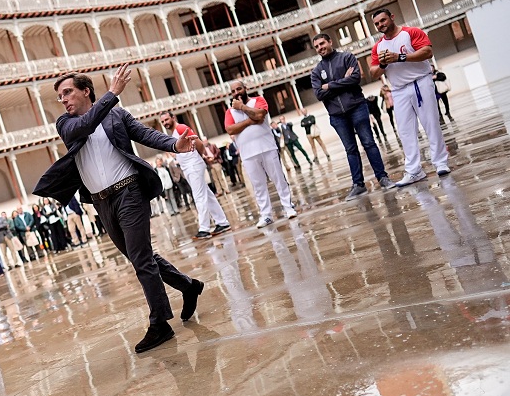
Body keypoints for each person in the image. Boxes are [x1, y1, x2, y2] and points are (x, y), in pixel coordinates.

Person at [34, 65, 205, 353]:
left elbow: (145, 134)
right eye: (60, 96)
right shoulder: (66, 123)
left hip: (129, 192)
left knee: (141, 258)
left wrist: (175, 145)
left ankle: (160, 323)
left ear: (85, 91)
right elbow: (85, 126)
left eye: (68, 92)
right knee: (141, 257)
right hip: (101, 202)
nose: (63, 100)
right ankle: (188, 286)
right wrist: (112, 93)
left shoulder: (117, 115)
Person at [310, 33, 397, 201]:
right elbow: (319, 94)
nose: (320, 48)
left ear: (330, 41)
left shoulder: (346, 57)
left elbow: (355, 79)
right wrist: (344, 80)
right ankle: (358, 185)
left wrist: (330, 85)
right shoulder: (316, 72)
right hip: (337, 116)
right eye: (317, 46)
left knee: (369, 143)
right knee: (350, 149)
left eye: (322, 43)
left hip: (357, 107)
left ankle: (383, 178)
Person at [370, 8, 451, 185]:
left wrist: (399, 57)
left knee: (431, 123)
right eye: (376, 23)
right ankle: (414, 171)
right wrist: (383, 64)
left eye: (383, 20)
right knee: (405, 131)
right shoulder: (378, 47)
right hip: (398, 90)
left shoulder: (411, 32)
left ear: (392, 17)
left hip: (420, 82)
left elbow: (427, 52)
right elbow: (373, 72)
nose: (380, 25)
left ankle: (440, 162)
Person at [224, 79, 297, 229]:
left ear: (245, 88)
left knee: (279, 179)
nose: (236, 93)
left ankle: (288, 207)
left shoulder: (258, 100)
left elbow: (260, 116)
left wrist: (242, 107)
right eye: (233, 91)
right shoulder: (230, 111)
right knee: (258, 186)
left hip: (267, 148)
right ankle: (266, 215)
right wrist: (249, 121)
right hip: (248, 154)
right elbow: (230, 129)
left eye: (239, 89)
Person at [161, 112, 231, 240]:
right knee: (207, 195)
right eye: (163, 121)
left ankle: (204, 229)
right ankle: (222, 222)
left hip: (193, 165)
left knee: (199, 197)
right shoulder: (174, 133)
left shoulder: (181, 128)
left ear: (173, 117)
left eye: (166, 119)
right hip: (188, 167)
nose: (165, 123)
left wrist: (201, 155)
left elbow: (198, 142)